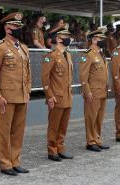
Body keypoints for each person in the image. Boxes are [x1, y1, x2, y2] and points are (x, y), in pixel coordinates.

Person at [0, 12, 31, 176]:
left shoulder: (24, 48)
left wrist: (27, 91)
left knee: (18, 131)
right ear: (7, 28)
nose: (19, 28)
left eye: (20, 26)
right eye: (15, 26)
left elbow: (28, 73)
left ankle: (15, 161)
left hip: (21, 96)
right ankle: (6, 164)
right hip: (6, 97)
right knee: (5, 132)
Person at [41, 28, 74, 162]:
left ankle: (60, 148)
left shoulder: (68, 54)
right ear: (59, 38)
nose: (69, 39)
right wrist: (49, 96)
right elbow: (45, 78)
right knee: (54, 125)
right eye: (66, 37)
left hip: (67, 95)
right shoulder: (52, 55)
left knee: (63, 125)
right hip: (56, 96)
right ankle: (52, 150)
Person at [79, 28, 110, 152]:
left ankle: (97, 139)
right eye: (101, 39)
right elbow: (83, 76)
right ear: (94, 39)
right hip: (93, 92)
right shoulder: (88, 54)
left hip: (102, 91)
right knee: (91, 117)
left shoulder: (101, 54)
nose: (103, 40)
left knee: (99, 117)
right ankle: (90, 141)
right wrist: (87, 91)